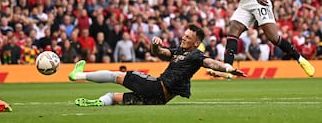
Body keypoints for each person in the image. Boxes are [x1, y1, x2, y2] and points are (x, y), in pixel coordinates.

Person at [68, 24, 246, 106]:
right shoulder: (178, 51)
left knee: (117, 76)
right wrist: (154, 44)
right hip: (160, 100)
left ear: (196, 42)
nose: (183, 38)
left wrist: (228, 68)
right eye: (184, 35)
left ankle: (79, 76)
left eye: (187, 37)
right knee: (114, 97)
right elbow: (160, 52)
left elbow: (211, 63)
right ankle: (96, 103)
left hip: (157, 88)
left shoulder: (195, 55)